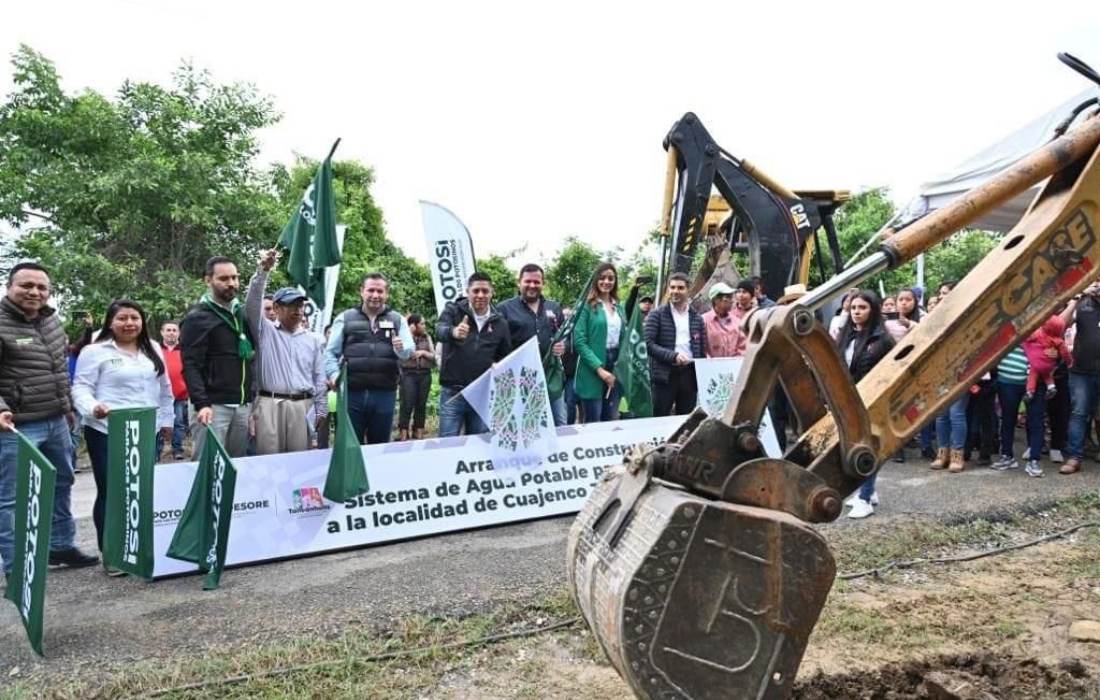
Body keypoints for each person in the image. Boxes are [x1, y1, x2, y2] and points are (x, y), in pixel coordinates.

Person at [0, 262, 98, 576]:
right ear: (9, 287)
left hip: (57, 419)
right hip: (16, 424)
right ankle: (17, 568)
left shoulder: (51, 321)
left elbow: (58, 367)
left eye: (41, 287)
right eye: (26, 285)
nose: (34, 292)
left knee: (61, 482)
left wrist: (68, 405)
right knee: (13, 496)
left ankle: (60, 545)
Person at [71, 300, 173, 573]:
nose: (129, 323)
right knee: (111, 491)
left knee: (141, 490)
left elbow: (164, 389)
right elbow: (80, 387)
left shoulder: (153, 349)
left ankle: (139, 546)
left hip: (146, 430)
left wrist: (167, 421)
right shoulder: (94, 351)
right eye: (122, 318)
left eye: (135, 318)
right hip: (107, 430)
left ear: (142, 321)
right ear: (110, 322)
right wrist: (94, 407)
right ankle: (112, 553)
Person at [245, 250, 328, 454]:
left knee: (299, 463)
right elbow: (252, 305)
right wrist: (262, 272)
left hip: (302, 406)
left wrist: (321, 407)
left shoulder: (313, 340)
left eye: (300, 305)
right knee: (268, 462)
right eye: (291, 305)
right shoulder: (266, 332)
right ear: (276, 308)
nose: (297, 310)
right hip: (269, 405)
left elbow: (319, 377)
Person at [325, 273, 413, 445]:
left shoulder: (397, 319)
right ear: (361, 292)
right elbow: (330, 353)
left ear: (386, 293)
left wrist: (401, 347)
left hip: (384, 394)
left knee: (379, 447)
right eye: (370, 290)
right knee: (350, 447)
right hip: (352, 394)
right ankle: (350, 473)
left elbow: (408, 352)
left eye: (380, 291)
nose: (375, 295)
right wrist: (335, 375)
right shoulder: (345, 318)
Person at [181, 256, 256, 458]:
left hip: (241, 406)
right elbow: (190, 365)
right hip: (212, 407)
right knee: (208, 468)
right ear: (208, 280)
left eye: (234, 277)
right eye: (224, 279)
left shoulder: (241, 315)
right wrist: (202, 403)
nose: (231, 283)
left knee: (236, 467)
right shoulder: (197, 318)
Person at [835, 291, 895, 519]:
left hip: (873, 401)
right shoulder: (845, 335)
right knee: (853, 445)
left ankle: (865, 497)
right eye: (854, 308)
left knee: (869, 448)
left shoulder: (883, 340)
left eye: (862, 308)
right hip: (849, 401)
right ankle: (867, 490)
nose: (857, 312)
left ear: (873, 310)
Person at [436, 272, 512, 436]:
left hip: (482, 394)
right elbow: (439, 330)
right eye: (476, 291)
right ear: (467, 292)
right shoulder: (453, 310)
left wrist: (497, 365)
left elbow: (504, 356)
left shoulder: (500, 322)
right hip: (453, 392)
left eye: (485, 291)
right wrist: (453, 332)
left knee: (479, 445)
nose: (480, 295)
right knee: (447, 444)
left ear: (492, 293)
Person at [497, 264, 567, 425]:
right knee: (527, 425)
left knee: (559, 423)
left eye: (537, 282)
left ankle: (556, 452)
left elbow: (565, 336)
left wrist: (563, 345)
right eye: (528, 281)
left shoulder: (554, 307)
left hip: (550, 376)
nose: (532, 285)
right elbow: (496, 342)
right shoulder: (504, 309)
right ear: (519, 282)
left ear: (543, 283)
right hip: (519, 379)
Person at [646, 272, 707, 417]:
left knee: (686, 420)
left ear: (688, 290)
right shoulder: (657, 314)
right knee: (659, 417)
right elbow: (648, 344)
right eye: (672, 287)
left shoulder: (697, 318)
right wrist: (673, 356)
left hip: (689, 375)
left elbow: (701, 349)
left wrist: (701, 372)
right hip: (664, 375)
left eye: (680, 288)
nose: (675, 291)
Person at [573, 263, 627, 422]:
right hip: (593, 366)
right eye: (602, 278)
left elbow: (623, 337)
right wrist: (600, 370)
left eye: (611, 278)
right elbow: (579, 341)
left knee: (610, 417)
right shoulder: (586, 306)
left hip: (616, 364)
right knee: (593, 419)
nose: (606, 281)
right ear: (595, 280)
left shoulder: (619, 307)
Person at [1059, 281, 1100, 474]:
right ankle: (1074, 457)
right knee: (1079, 413)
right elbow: (1060, 325)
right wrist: (1077, 297)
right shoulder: (1083, 303)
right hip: (1081, 370)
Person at [929, 281, 968, 473]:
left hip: (961, 372)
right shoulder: (934, 317)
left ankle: (957, 454)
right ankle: (942, 452)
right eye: (941, 293)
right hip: (939, 373)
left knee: (956, 413)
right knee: (941, 415)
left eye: (948, 293)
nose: (943, 296)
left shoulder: (965, 315)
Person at [992, 345, 1047, 477]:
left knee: (1036, 421)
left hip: (1035, 380)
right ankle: (1007, 456)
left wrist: (1053, 352)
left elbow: (1054, 342)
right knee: (1007, 419)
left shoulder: (1040, 327)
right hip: (1007, 378)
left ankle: (1034, 460)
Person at [397, 313, 435, 440]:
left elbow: (434, 356)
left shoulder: (427, 337)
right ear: (414, 325)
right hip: (408, 374)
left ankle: (418, 430)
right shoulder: (404, 337)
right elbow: (401, 352)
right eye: (422, 323)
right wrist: (408, 333)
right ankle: (403, 431)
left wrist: (423, 352)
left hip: (425, 374)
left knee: (421, 404)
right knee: (406, 403)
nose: (424, 326)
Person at [157, 320, 190, 460]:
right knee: (158, 423)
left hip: (179, 394)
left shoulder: (185, 350)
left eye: (174, 330)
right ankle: (156, 451)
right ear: (162, 332)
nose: (171, 333)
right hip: (159, 395)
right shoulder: (155, 349)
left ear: (179, 333)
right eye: (168, 330)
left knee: (178, 423)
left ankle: (177, 450)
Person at [1023, 316, 1072, 401]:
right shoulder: (1059, 341)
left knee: (1033, 373)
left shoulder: (1039, 333)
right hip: (1049, 364)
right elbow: (1065, 353)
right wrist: (1069, 362)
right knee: (1047, 373)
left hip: (1037, 363)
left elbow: (1028, 338)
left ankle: (1030, 391)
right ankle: (1051, 387)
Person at [702, 281, 752, 358]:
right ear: (716, 300)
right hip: (710, 367)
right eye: (728, 297)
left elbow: (742, 348)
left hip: (734, 367)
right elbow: (701, 348)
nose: (732, 301)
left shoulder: (737, 322)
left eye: (731, 297)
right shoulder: (704, 321)